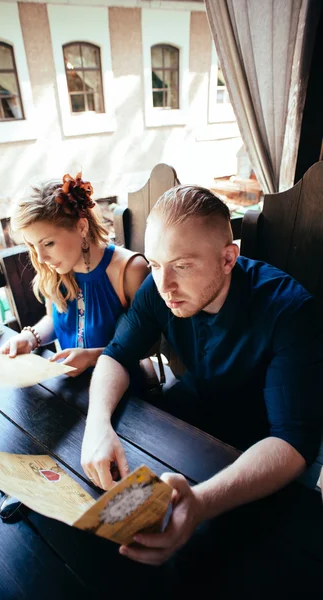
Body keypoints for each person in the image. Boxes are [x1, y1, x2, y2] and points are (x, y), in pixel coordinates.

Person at [80, 184, 323, 566]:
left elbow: (293, 442)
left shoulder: (289, 311)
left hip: (258, 455)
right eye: (157, 264)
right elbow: (117, 354)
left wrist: (200, 504)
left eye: (183, 265)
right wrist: (97, 426)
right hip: (188, 426)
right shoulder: (158, 287)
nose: (164, 286)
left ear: (228, 259)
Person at [0, 172, 149, 374]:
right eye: (33, 246)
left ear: (81, 227)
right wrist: (30, 338)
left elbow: (148, 343)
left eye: (48, 243)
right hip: (72, 386)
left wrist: (92, 358)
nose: (41, 257)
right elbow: (54, 319)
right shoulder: (57, 269)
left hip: (127, 389)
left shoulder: (130, 270)